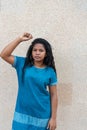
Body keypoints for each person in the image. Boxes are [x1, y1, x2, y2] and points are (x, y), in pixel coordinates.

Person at [0, 32, 58, 130]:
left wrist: (53, 118)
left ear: (46, 53)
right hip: (22, 113)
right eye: (35, 50)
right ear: (31, 52)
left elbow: (54, 95)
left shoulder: (50, 71)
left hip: (42, 114)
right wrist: (20, 39)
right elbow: (4, 55)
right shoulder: (22, 64)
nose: (37, 53)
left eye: (41, 50)